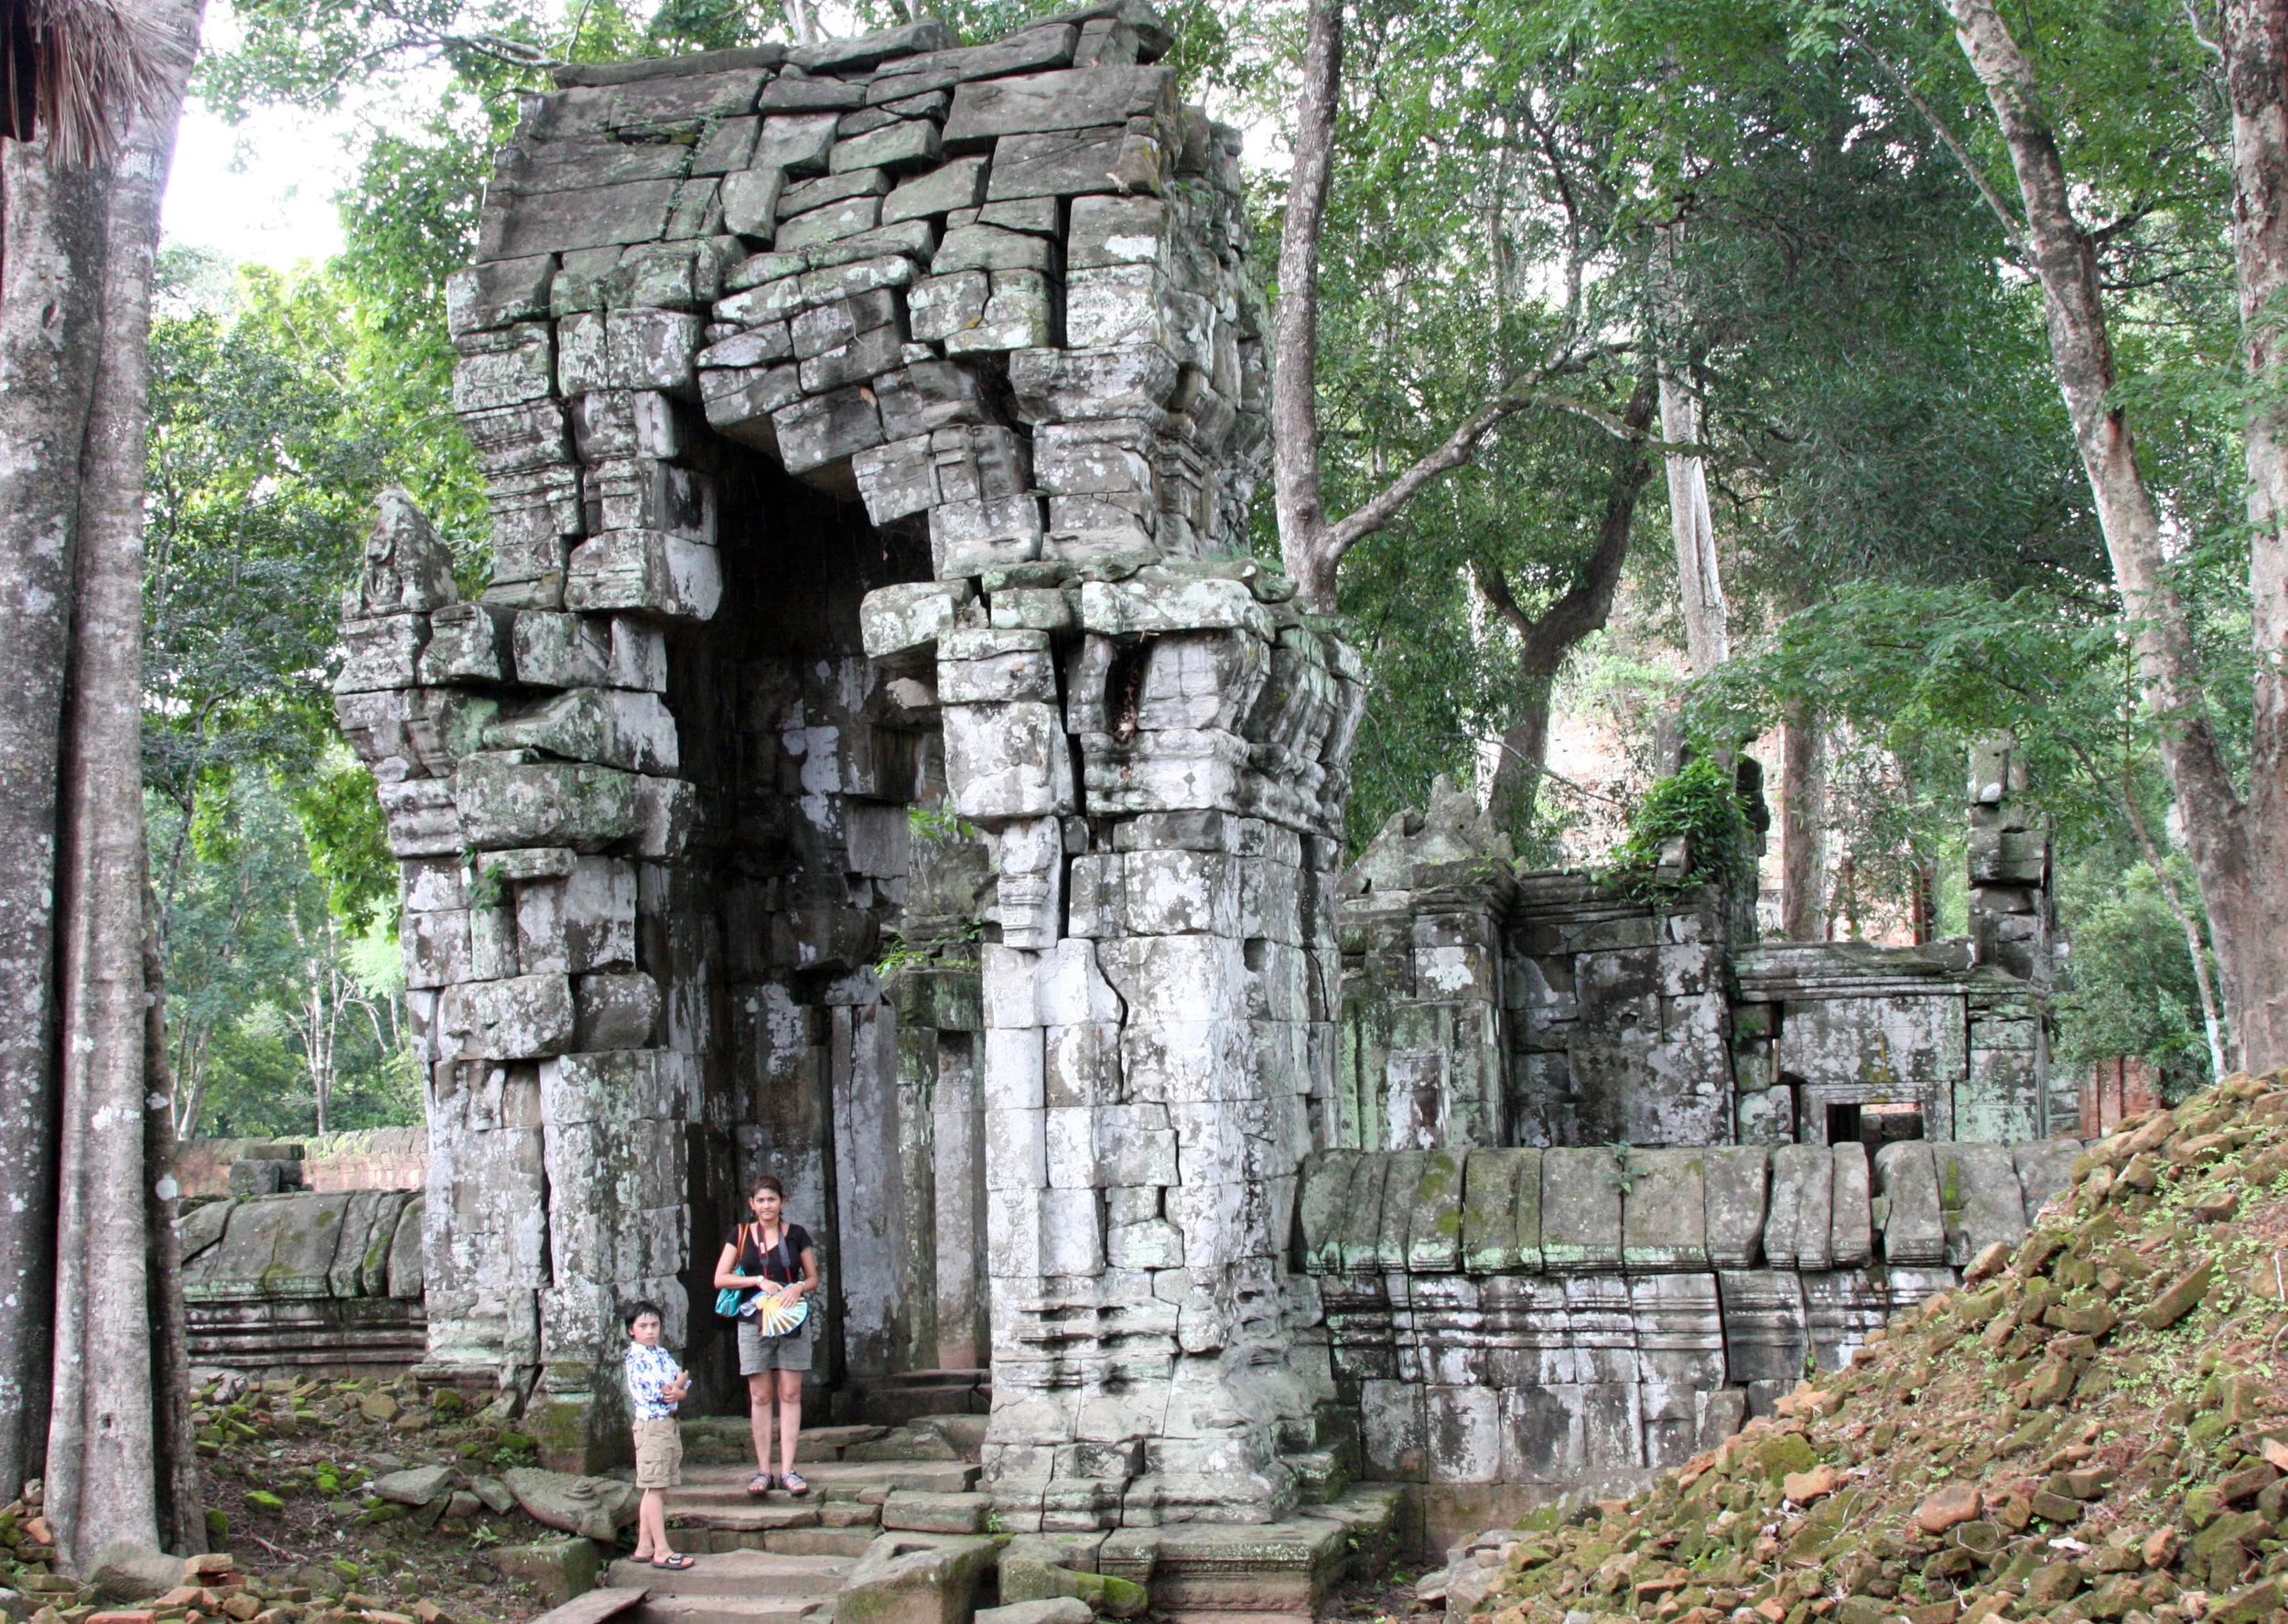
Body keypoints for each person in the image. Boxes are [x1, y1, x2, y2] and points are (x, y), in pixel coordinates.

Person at [714, 1174, 820, 1497]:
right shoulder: (741, 1234)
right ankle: (764, 1470)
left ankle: (789, 1470)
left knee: (790, 1392)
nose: (766, 1205)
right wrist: (758, 1281)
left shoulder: (797, 1235)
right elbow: (721, 1278)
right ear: (752, 1204)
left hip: (790, 1320)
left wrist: (798, 1286)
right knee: (760, 1395)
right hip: (753, 1320)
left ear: (782, 1202)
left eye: (771, 1199)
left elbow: (813, 1277)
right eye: (760, 1200)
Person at [621, 1298, 695, 1570]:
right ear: (632, 1330)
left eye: (654, 1325)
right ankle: (662, 1550)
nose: (650, 1330)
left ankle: (644, 1545)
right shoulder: (637, 1357)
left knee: (656, 1486)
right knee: (654, 1487)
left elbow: (683, 1379)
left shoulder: (661, 1354)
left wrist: (678, 1387)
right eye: (643, 1326)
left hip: (668, 1424)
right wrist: (677, 1387)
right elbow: (661, 1391)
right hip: (652, 1426)